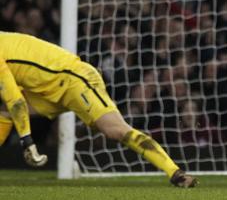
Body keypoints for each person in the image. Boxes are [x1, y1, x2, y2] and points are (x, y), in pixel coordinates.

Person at [0, 31, 197, 188]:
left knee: (115, 130)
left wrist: (27, 141)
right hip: (48, 88)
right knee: (5, 113)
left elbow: (15, 101)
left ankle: (175, 172)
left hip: (75, 80)